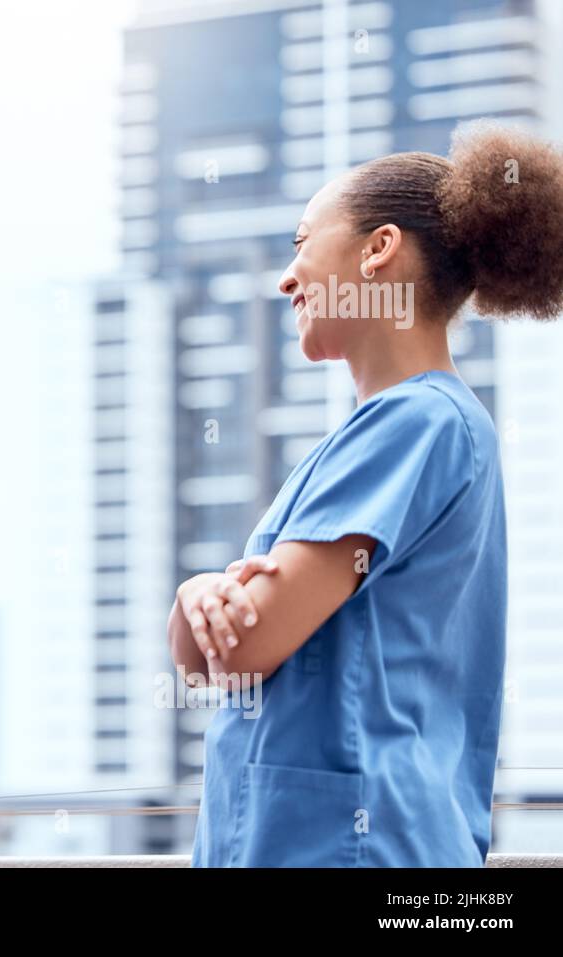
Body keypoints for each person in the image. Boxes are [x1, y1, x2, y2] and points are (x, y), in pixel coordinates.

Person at [170, 123, 563, 866]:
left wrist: (218, 604)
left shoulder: (419, 422)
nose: (286, 279)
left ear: (377, 248)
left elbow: (246, 643)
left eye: (302, 242)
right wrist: (198, 594)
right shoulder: (389, 432)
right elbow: (205, 663)